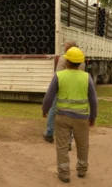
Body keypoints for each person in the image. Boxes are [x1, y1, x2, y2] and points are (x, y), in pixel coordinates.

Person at [42, 47, 98, 183]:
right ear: (80, 63)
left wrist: (45, 109)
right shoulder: (87, 77)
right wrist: (93, 116)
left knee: (62, 146)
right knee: (83, 145)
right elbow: (93, 100)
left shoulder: (59, 76)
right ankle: (82, 170)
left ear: (66, 61)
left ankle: (64, 173)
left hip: (62, 117)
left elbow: (49, 96)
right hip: (82, 118)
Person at [43, 40, 86, 152]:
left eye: (66, 48)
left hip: (62, 91)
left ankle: (49, 133)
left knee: (53, 111)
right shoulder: (82, 60)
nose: (65, 50)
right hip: (76, 93)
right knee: (73, 116)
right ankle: (68, 142)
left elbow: (57, 75)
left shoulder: (63, 59)